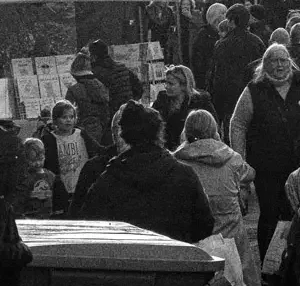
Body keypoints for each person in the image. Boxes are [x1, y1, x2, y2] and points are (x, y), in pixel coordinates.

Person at [229, 44, 300, 261]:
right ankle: (269, 265)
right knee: (269, 215)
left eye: (283, 60)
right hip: (266, 166)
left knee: (295, 214)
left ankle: (290, 263)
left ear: (290, 62)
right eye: (274, 60)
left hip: (297, 168)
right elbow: (237, 124)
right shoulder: (254, 89)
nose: (279, 65)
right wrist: (241, 161)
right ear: (265, 64)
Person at [81, 104, 215, 244]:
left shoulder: (108, 180)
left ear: (123, 135)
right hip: (175, 258)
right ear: (159, 133)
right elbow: (205, 225)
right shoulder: (184, 175)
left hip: (126, 260)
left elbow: (89, 224)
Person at [173, 108, 257, 264]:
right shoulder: (232, 158)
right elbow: (251, 174)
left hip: (194, 240)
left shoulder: (176, 161)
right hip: (230, 238)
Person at [207, 3, 267, 126]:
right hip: (252, 96)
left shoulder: (222, 45)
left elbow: (217, 75)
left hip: (229, 99)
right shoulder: (257, 42)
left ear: (233, 21)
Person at [39, 99, 102, 215]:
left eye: (71, 117)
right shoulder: (49, 139)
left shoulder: (81, 134)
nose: (68, 120)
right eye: (64, 117)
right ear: (55, 120)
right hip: (61, 186)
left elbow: (97, 150)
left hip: (81, 184)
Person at [152, 65, 214, 149]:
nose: (166, 86)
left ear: (184, 85)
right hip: (167, 148)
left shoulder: (200, 101)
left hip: (195, 147)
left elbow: (212, 126)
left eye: (171, 84)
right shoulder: (162, 99)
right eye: (165, 82)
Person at [65, 54, 112, 147]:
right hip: (102, 130)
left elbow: (66, 112)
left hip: (81, 131)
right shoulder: (102, 87)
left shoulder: (73, 90)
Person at [87, 39, 143, 117]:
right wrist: (131, 101)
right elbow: (139, 88)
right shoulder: (122, 67)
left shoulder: (95, 73)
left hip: (111, 115)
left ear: (94, 56)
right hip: (129, 111)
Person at [9, 137, 56, 218]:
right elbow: (18, 200)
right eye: (33, 161)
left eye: (40, 159)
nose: (37, 163)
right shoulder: (24, 177)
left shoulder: (50, 175)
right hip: (29, 216)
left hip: (46, 216)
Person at [190, 2, 227, 91]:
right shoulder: (204, 34)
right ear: (217, 18)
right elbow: (198, 60)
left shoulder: (223, 33)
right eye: (224, 14)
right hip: (206, 80)